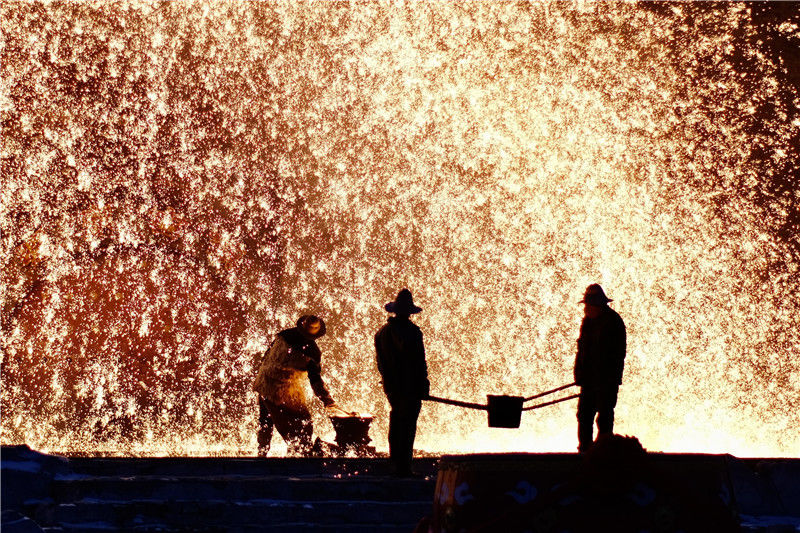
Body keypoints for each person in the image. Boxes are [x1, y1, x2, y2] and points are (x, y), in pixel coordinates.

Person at [252, 314, 338, 456]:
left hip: (264, 382)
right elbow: (315, 378)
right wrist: (327, 399)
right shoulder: (311, 351)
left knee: (265, 421)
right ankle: (297, 455)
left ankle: (262, 454)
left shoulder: (284, 335)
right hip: (281, 390)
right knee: (302, 422)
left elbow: (267, 355)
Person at [375, 289, 430, 476]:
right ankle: (404, 466)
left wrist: (389, 383)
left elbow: (381, 362)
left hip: (393, 386)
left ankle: (396, 464)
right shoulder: (411, 332)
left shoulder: (382, 332)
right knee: (407, 426)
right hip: (409, 387)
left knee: (398, 422)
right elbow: (418, 361)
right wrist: (423, 384)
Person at [574, 284, 626, 453]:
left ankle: (604, 452)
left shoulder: (613, 322)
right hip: (589, 380)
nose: (586, 308)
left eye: (589, 304)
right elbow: (582, 350)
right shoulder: (588, 322)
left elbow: (618, 353)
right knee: (584, 416)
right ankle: (585, 452)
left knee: (604, 416)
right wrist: (579, 374)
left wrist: (609, 377)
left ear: (598, 304)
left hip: (606, 381)